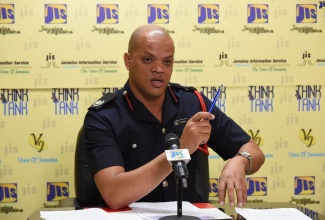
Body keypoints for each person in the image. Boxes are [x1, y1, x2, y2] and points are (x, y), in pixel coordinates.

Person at [83, 24, 265, 210]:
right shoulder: (103, 116)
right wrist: (181, 150)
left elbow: (254, 150)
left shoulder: (194, 103)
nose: (159, 69)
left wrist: (241, 160)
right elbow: (114, 194)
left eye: (167, 62)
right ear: (128, 61)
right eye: (148, 59)